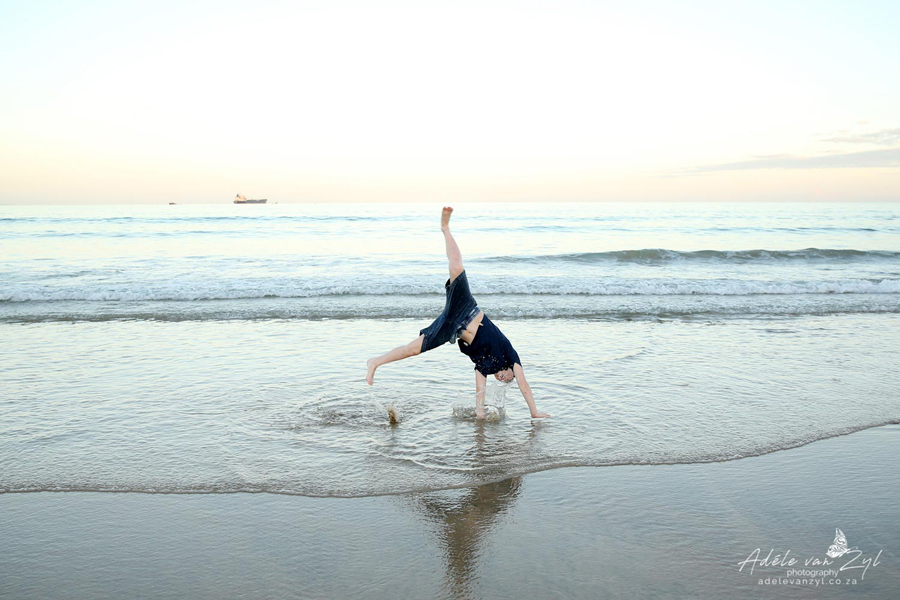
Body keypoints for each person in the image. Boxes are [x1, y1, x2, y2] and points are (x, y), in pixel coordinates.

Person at [366, 207, 550, 420]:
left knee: (413, 349)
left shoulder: (486, 367)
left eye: (502, 380)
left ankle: (375, 361)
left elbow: (479, 390)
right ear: (511, 372)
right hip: (466, 308)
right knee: (456, 268)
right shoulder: (512, 357)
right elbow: (524, 385)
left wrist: (480, 414)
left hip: (451, 327)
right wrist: (534, 412)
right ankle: (445, 228)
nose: (503, 379)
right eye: (508, 378)